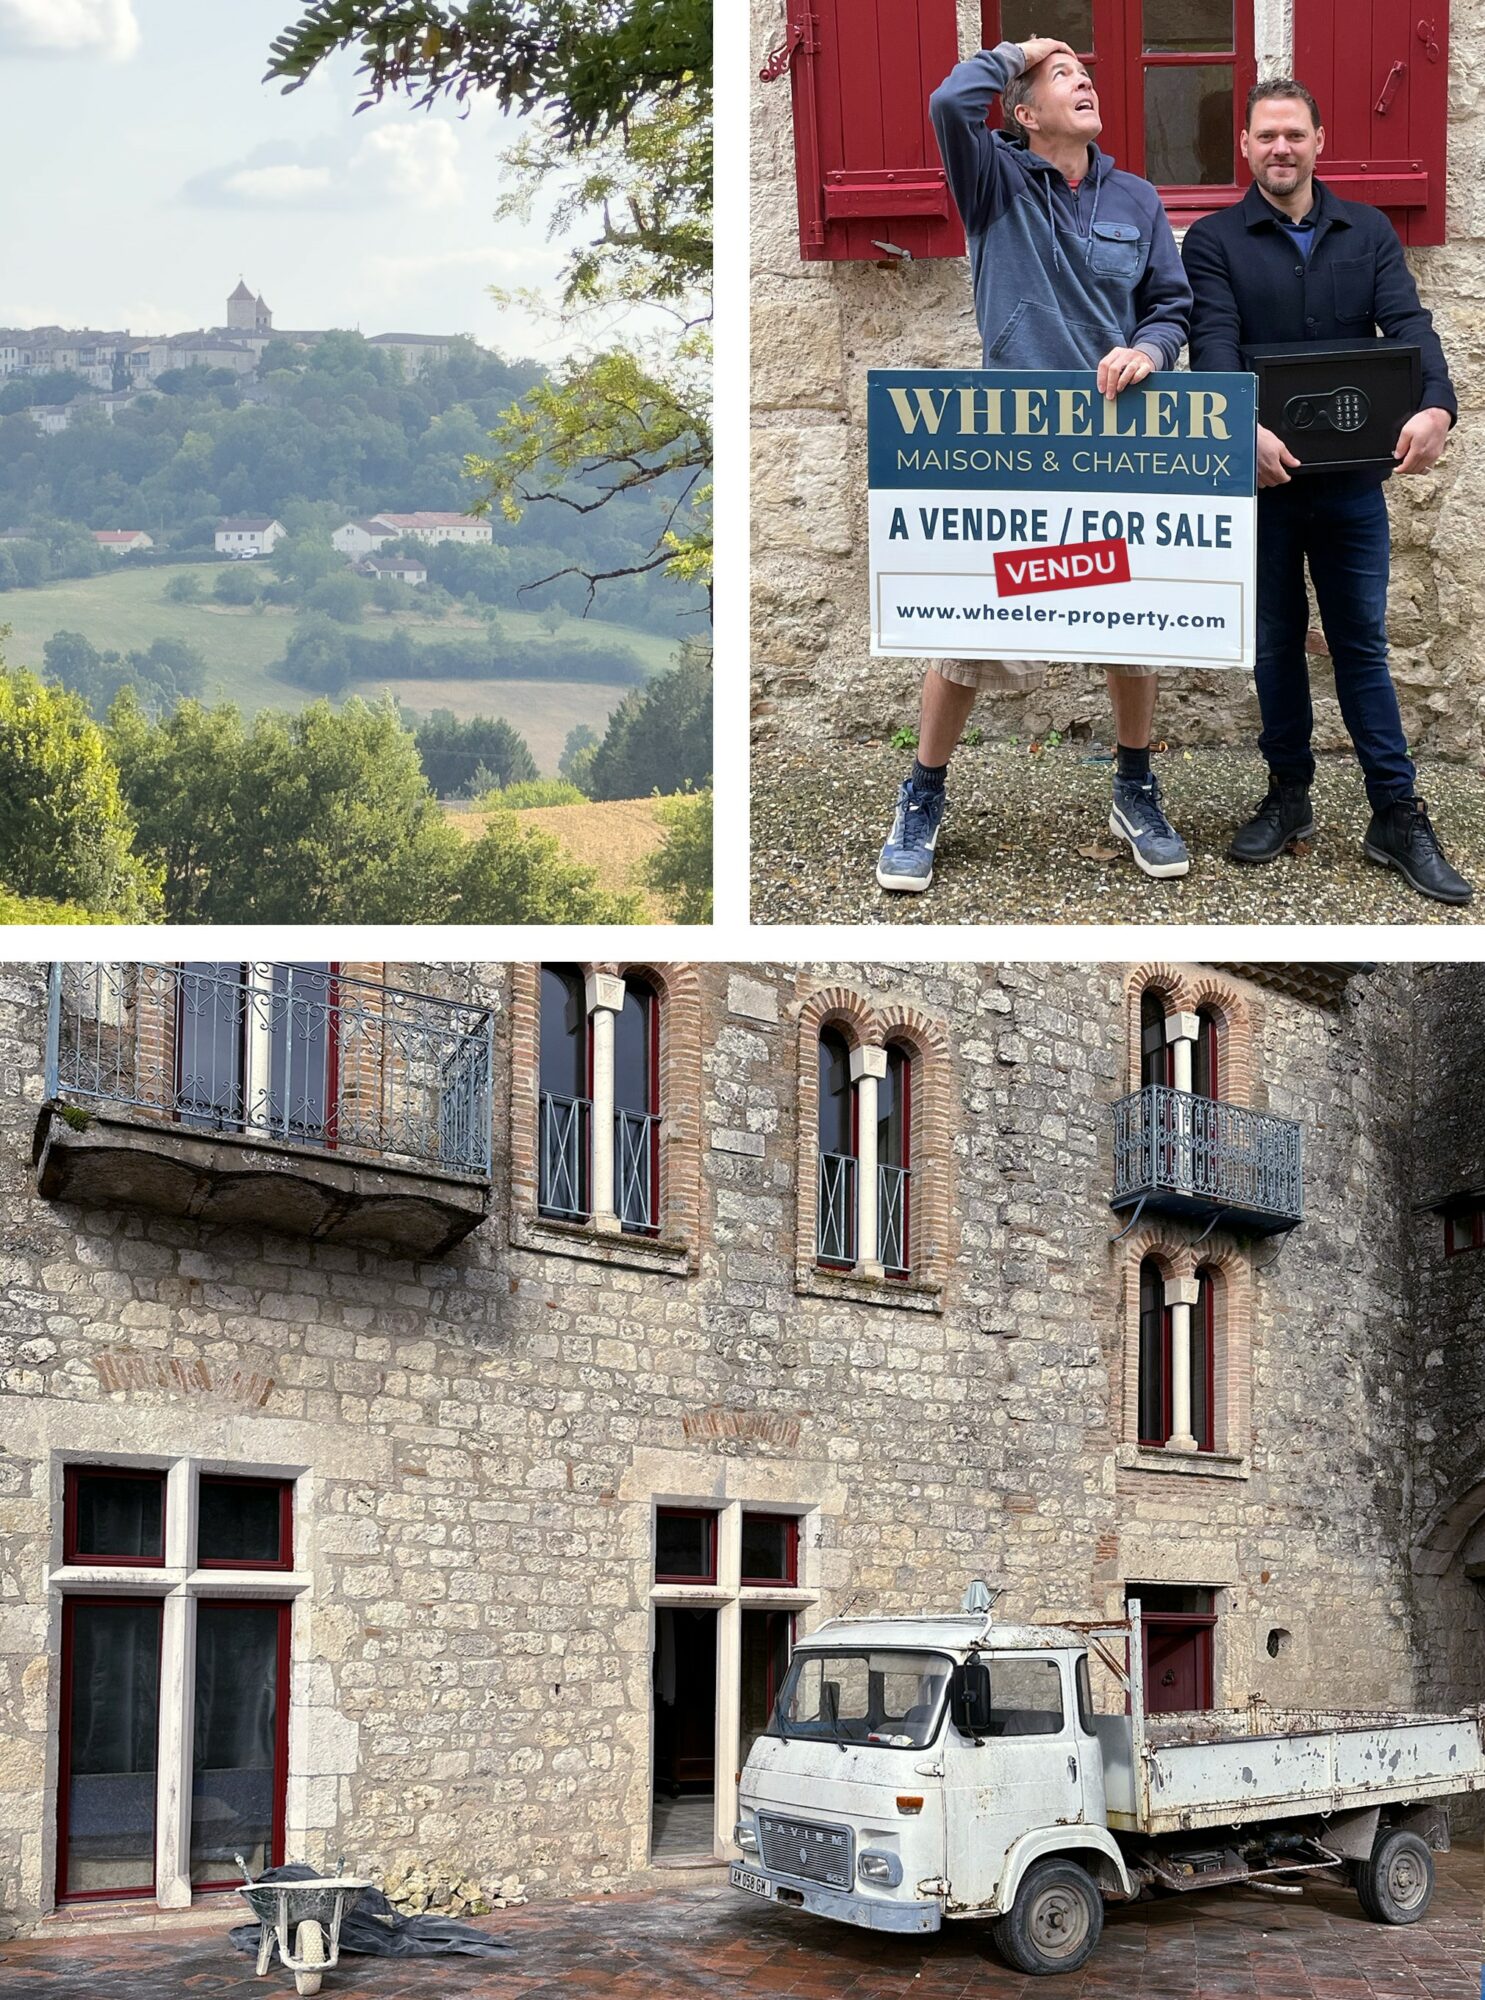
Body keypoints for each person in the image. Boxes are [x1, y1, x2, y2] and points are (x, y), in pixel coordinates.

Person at [875, 36, 1193, 894]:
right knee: (969, 627)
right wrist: (1016, 48)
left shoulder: (1136, 196)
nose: (1084, 80)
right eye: (1062, 77)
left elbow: (1169, 305)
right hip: (1010, 440)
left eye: (1083, 73)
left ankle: (1134, 787)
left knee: (1131, 617)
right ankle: (922, 794)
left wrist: (1151, 354)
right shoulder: (992, 180)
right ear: (1020, 113)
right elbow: (948, 105)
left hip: (1117, 436)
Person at [1183, 78, 1471, 905]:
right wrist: (1238, 426)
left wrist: (1435, 405)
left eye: (1293, 135)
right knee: (1274, 647)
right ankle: (1288, 796)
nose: (1280, 148)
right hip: (1262, 483)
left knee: (1360, 649)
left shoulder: (1368, 231)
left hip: (1351, 487)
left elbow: (1408, 326)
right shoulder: (1212, 240)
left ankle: (1394, 812)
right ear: (1244, 147)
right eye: (1265, 135)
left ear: (1318, 140)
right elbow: (1213, 344)